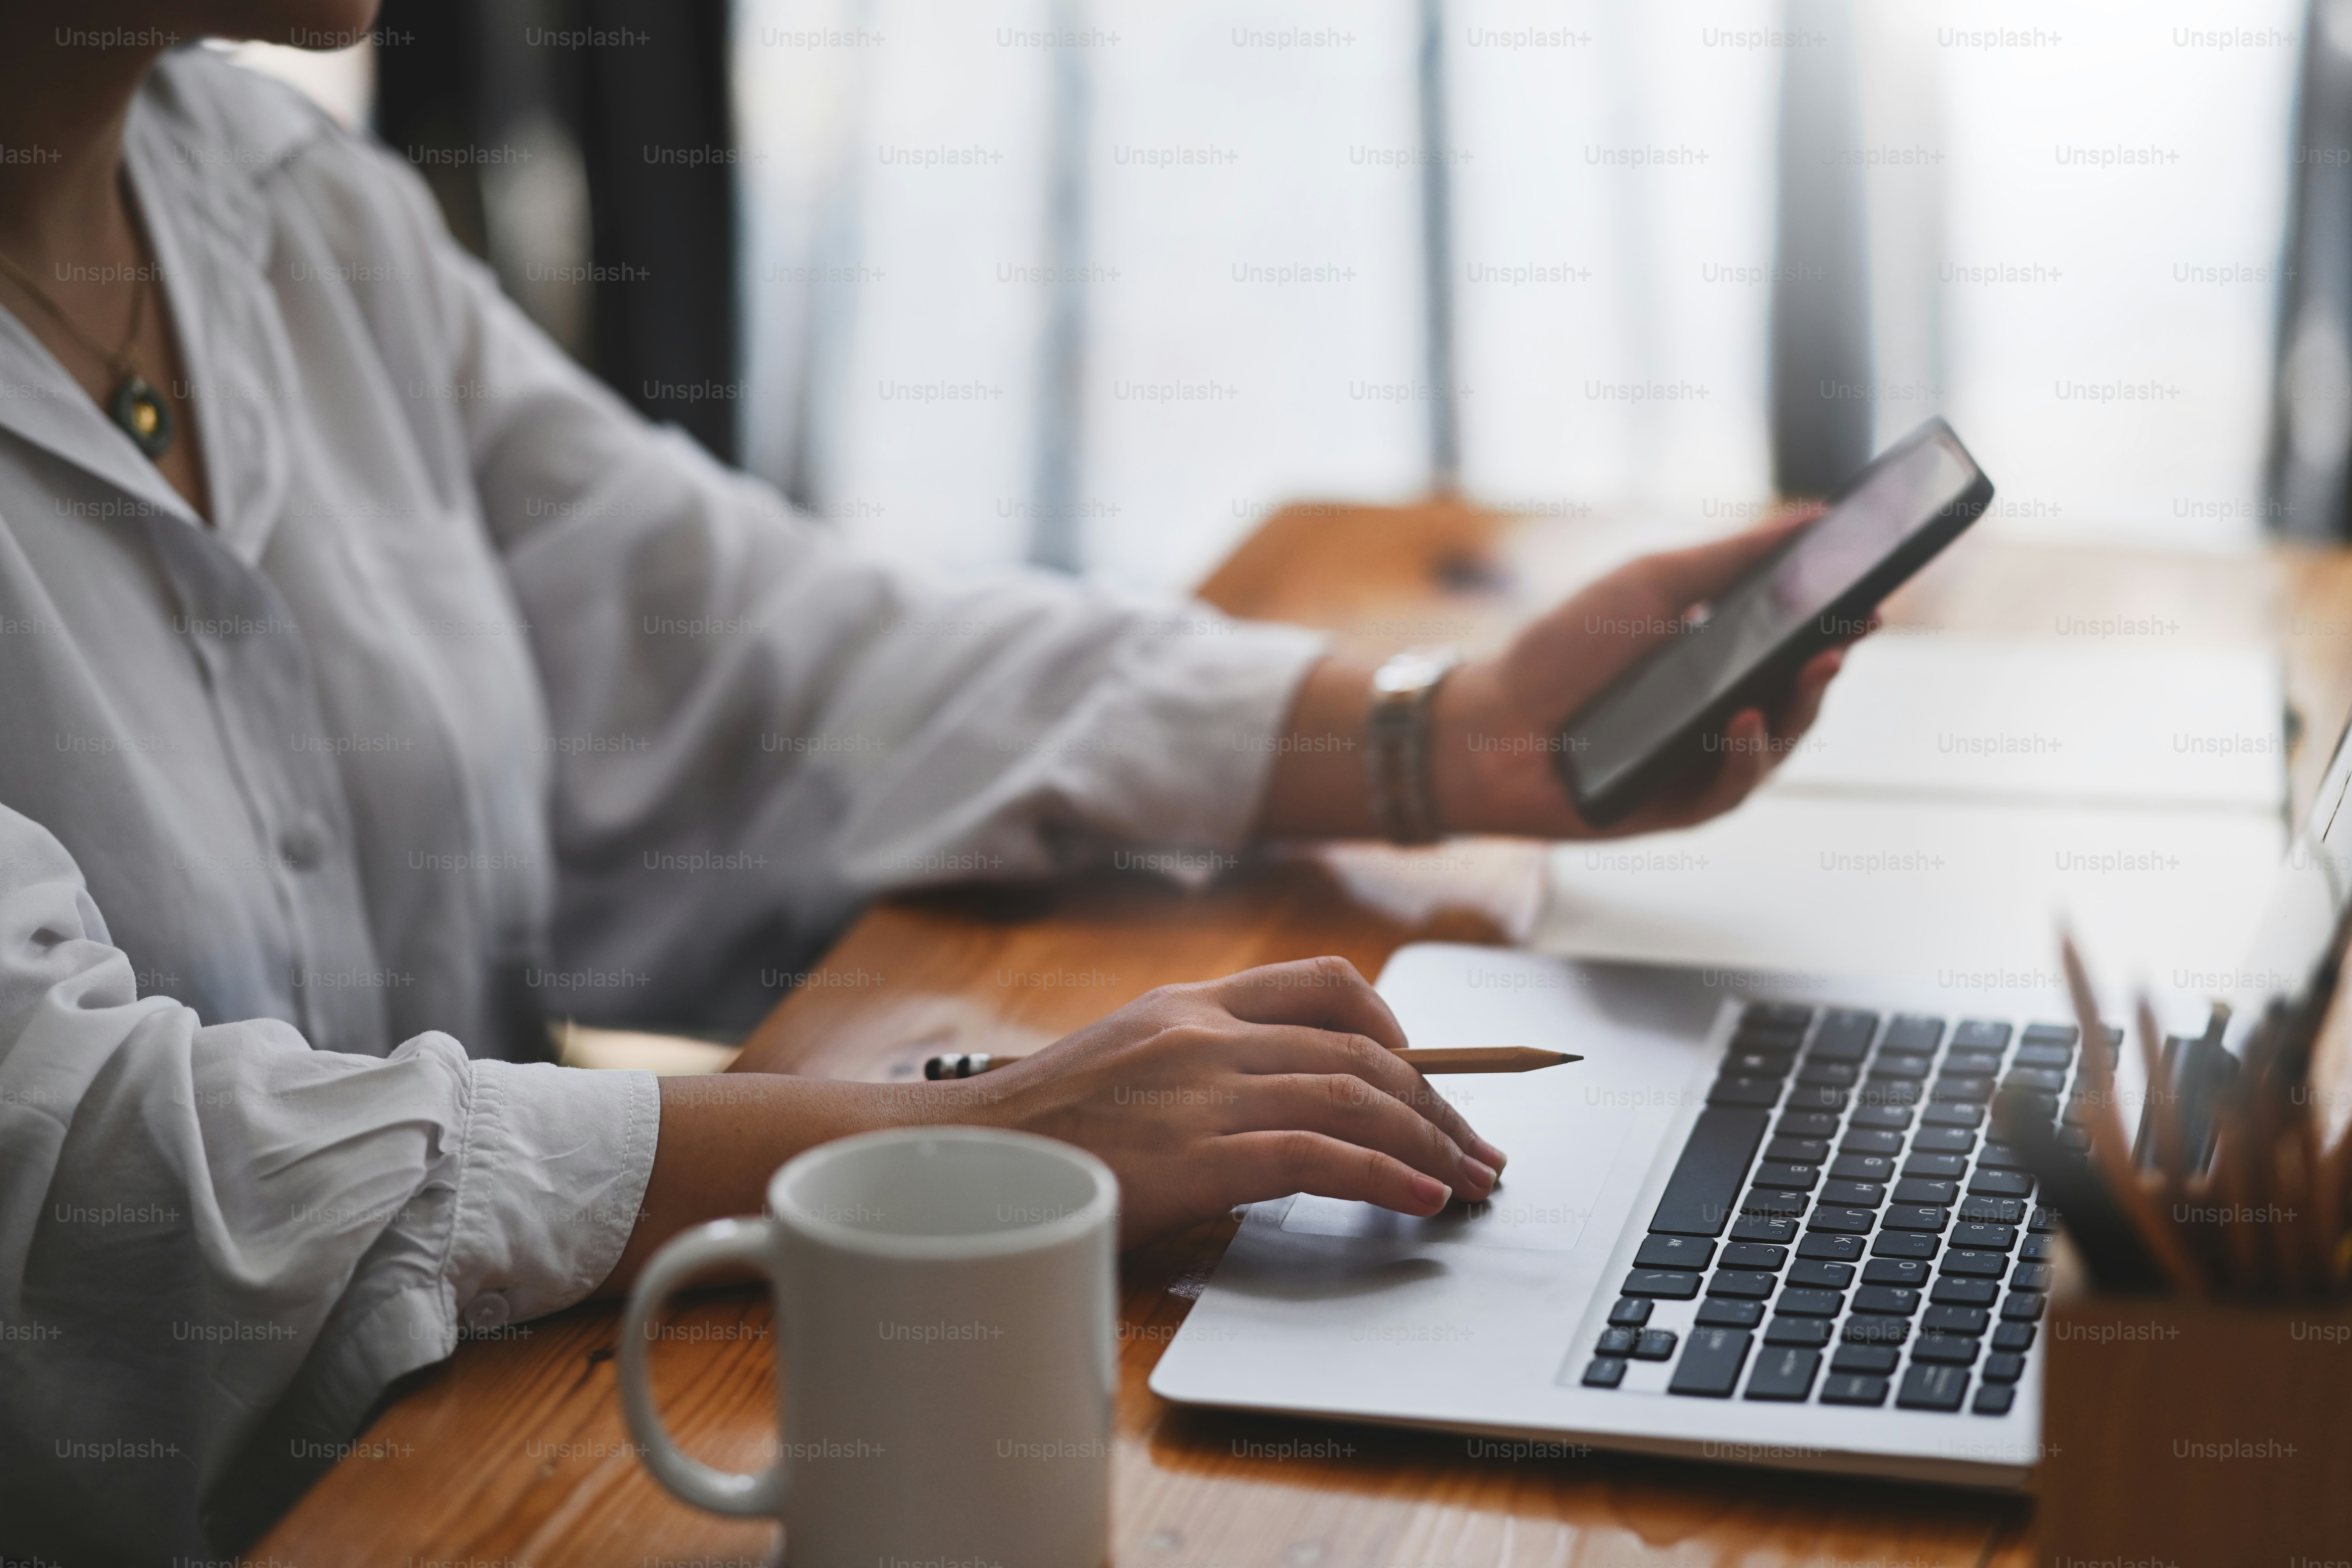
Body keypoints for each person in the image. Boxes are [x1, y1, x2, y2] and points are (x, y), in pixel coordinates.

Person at [0, 4, 1854, 1561]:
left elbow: (767, 654)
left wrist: (1432, 736)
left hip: (509, 1458)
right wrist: (953, 1160)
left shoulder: (284, 200)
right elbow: (80, 1157)